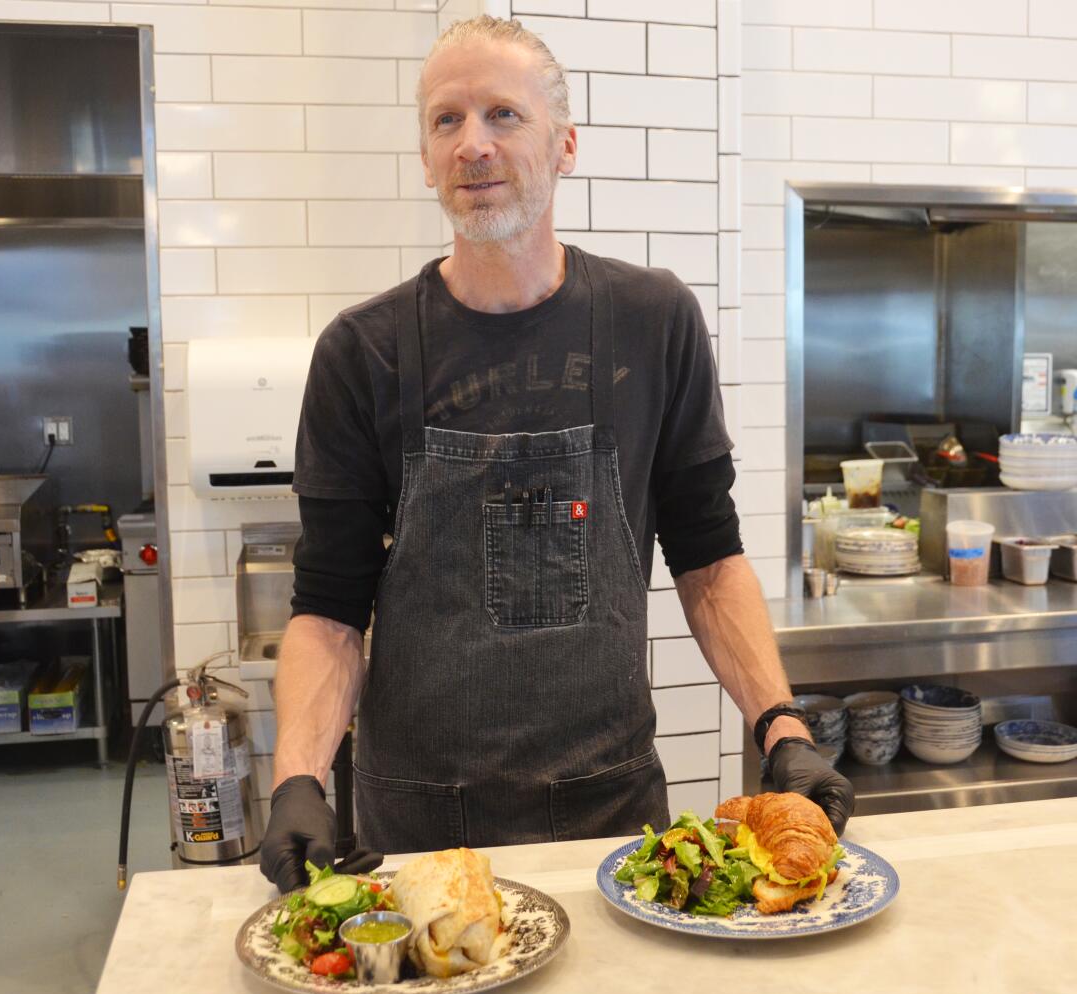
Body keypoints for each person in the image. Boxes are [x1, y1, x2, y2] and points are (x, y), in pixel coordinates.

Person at [259, 15, 853, 892]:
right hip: (420, 820)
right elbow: (329, 606)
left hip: (610, 813)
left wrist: (781, 726)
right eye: (445, 121)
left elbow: (709, 558)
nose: (473, 145)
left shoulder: (654, 323)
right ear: (425, 160)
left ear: (565, 144)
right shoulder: (364, 349)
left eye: (504, 114)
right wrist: (298, 778)